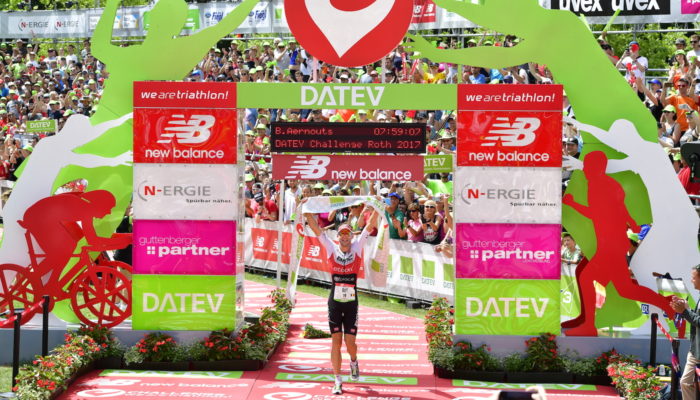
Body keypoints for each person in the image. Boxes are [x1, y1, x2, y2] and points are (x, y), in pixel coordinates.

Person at [304, 203, 379, 395]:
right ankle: (337, 380)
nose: (345, 237)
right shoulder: (330, 247)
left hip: (352, 301)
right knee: (335, 341)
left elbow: (370, 224)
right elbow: (315, 228)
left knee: (350, 343)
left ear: (351, 236)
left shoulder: (358, 245)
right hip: (335, 301)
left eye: (347, 234)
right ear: (337, 237)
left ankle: (353, 361)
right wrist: (306, 208)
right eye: (342, 234)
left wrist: (378, 205)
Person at [21, 190, 131, 281]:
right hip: (37, 217)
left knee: (69, 246)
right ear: (99, 204)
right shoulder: (85, 210)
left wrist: (125, 238)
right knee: (63, 251)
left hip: (45, 216)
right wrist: (123, 240)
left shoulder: (85, 206)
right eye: (108, 208)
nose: (109, 212)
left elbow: (92, 237)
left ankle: (51, 284)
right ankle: (35, 278)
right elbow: (92, 240)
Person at [671, 265, 700, 400]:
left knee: (686, 383)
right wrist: (685, 309)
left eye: (693, 278)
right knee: (685, 382)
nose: (691, 280)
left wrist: (685, 311)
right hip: (695, 349)